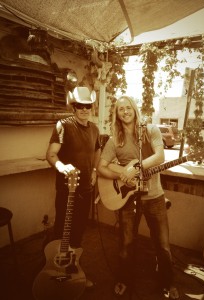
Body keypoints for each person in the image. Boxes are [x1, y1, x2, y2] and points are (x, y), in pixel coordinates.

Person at [97, 95, 179, 299]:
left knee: (163, 246)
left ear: (134, 109)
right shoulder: (114, 140)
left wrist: (137, 167)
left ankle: (168, 282)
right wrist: (122, 175)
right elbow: (101, 167)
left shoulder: (150, 131)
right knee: (126, 244)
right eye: (120, 109)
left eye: (128, 107)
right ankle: (124, 279)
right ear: (116, 114)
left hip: (155, 198)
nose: (125, 111)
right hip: (128, 200)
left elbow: (160, 157)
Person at [46, 86, 101, 288]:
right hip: (67, 190)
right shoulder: (63, 125)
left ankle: (72, 270)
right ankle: (52, 269)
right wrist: (62, 167)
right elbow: (51, 155)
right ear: (74, 107)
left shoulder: (95, 129)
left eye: (87, 106)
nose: (84, 109)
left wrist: (95, 170)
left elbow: (97, 152)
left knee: (78, 233)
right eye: (80, 106)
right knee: (61, 231)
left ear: (92, 107)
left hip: (85, 190)